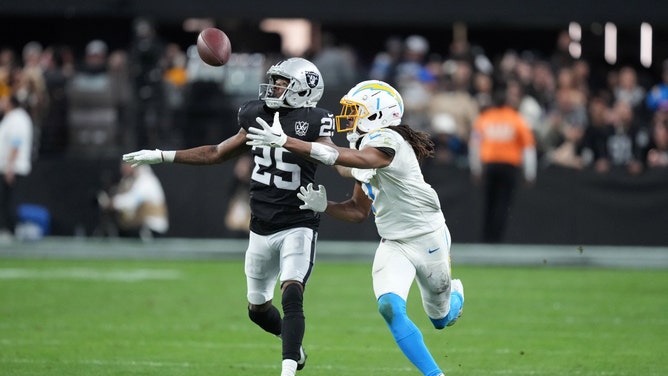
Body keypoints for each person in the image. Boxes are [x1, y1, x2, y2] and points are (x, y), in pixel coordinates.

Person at [122, 57, 332, 376]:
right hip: (260, 225)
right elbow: (217, 153)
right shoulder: (256, 114)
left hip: (299, 222)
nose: (274, 86)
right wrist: (162, 156)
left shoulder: (316, 121)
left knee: (292, 291)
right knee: (258, 310)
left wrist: (358, 173)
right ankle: (292, 343)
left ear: (304, 90)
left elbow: (336, 157)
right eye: (274, 80)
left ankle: (288, 369)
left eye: (282, 82)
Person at [246, 80, 464, 376]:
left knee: (440, 319)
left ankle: (456, 296)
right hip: (394, 242)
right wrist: (326, 206)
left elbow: (359, 160)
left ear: (379, 114)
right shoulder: (362, 144)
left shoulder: (390, 141)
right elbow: (359, 209)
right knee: (389, 307)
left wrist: (287, 141)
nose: (349, 116)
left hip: (428, 237)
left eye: (357, 110)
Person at [468, 82, 537, 243]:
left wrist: (476, 168)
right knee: (503, 203)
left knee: (489, 204)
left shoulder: (484, 118)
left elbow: (474, 145)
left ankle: (486, 239)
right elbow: (528, 148)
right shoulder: (517, 119)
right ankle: (497, 239)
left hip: (490, 165)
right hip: (509, 166)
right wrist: (530, 172)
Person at [96, 161, 168, 240]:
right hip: (141, 226)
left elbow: (132, 201)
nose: (122, 170)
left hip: (152, 228)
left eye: (125, 166)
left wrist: (110, 202)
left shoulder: (146, 180)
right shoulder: (132, 180)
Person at [0, 95, 33, 241]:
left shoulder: (18, 119)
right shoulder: (10, 118)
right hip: (8, 167)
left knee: (10, 202)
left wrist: (10, 167)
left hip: (14, 168)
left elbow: (16, 143)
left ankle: (9, 231)